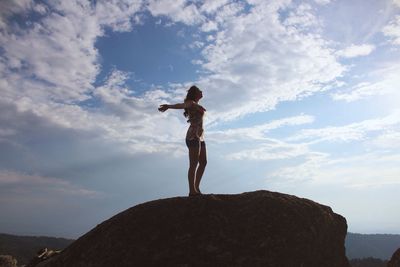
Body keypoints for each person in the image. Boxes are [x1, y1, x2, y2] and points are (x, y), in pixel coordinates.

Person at [158, 85, 207, 197]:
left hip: (200, 136)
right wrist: (169, 106)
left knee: (203, 162)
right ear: (195, 93)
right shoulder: (190, 103)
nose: (201, 91)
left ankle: (196, 187)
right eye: (199, 90)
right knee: (193, 164)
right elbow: (182, 105)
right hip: (193, 136)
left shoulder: (195, 104)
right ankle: (192, 191)